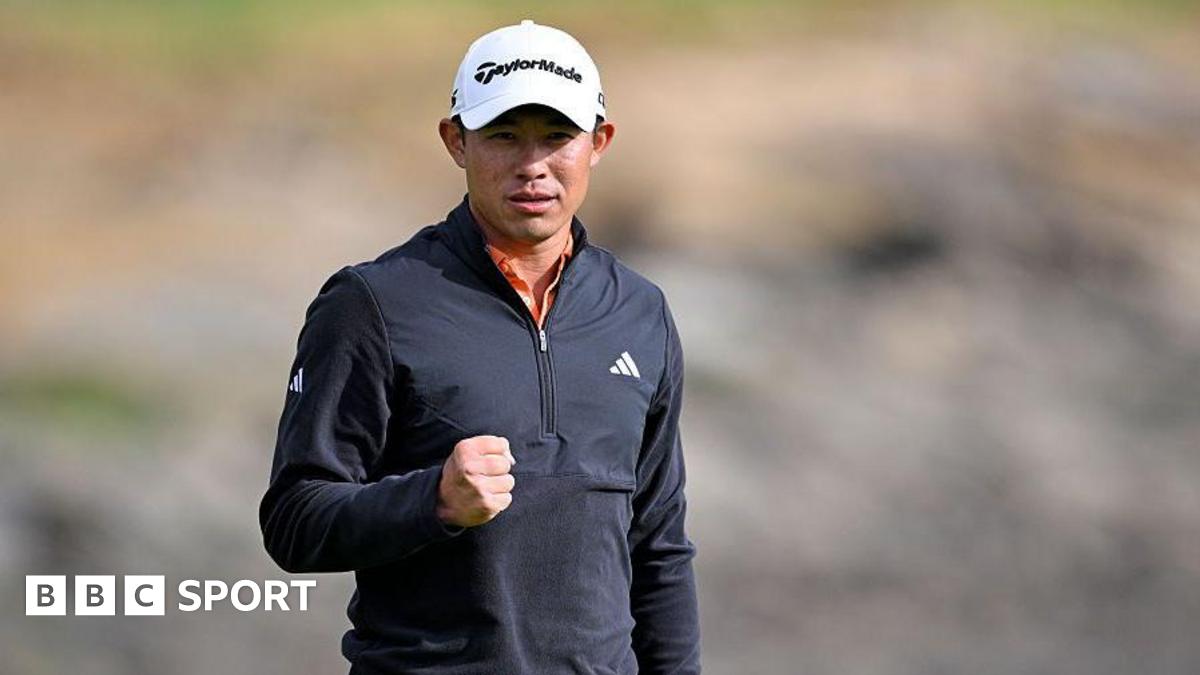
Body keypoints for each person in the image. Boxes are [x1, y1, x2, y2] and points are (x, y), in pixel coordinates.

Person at [259, 19, 700, 674]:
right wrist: (432, 500)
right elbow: (296, 519)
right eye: (502, 136)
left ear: (599, 142)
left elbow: (658, 545)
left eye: (557, 136)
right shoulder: (373, 303)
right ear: (455, 141)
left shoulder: (638, 313)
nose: (532, 165)